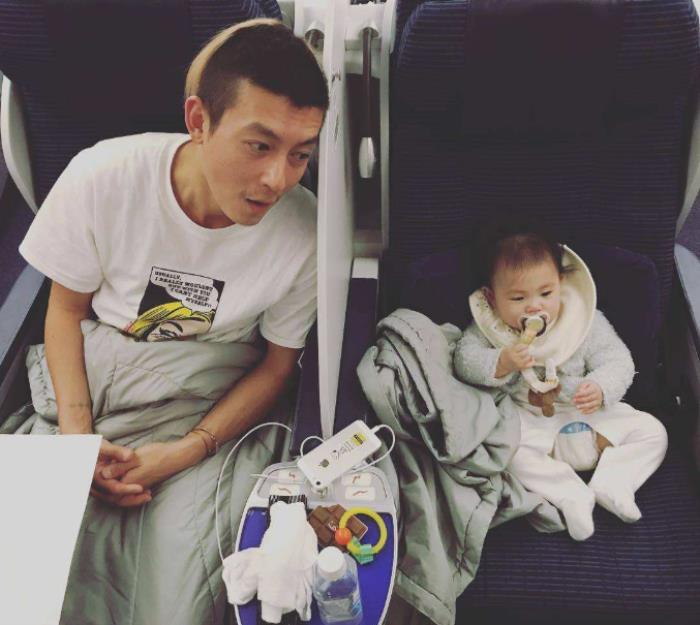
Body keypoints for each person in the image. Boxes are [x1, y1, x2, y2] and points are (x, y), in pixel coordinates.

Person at [18, 18, 329, 623]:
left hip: (206, 401)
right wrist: (77, 439)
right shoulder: (103, 177)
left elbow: (275, 368)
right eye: (259, 146)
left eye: (300, 155)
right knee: (34, 566)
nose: (277, 179)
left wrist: (185, 451)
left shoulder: (304, 233)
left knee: (174, 584)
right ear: (198, 121)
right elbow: (65, 310)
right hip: (96, 378)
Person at [453, 228, 668, 541]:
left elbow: (618, 360)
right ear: (491, 297)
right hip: (530, 420)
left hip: (587, 412)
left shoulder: (584, 321)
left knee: (653, 433)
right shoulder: (489, 329)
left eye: (546, 293)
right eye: (518, 298)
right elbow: (464, 360)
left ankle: (614, 482)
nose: (534, 307)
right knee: (504, 452)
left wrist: (600, 387)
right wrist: (501, 362)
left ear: (561, 284)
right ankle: (570, 495)